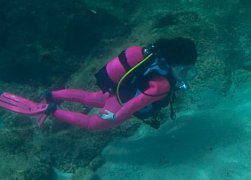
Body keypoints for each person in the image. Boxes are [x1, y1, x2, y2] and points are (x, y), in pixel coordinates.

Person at [0, 37, 197, 131]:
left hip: (120, 88)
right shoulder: (162, 85)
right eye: (185, 69)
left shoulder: (155, 60)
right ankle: (50, 109)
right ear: (174, 64)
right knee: (93, 124)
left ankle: (52, 95)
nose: (185, 74)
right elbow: (133, 106)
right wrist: (115, 116)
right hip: (122, 101)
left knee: (89, 98)